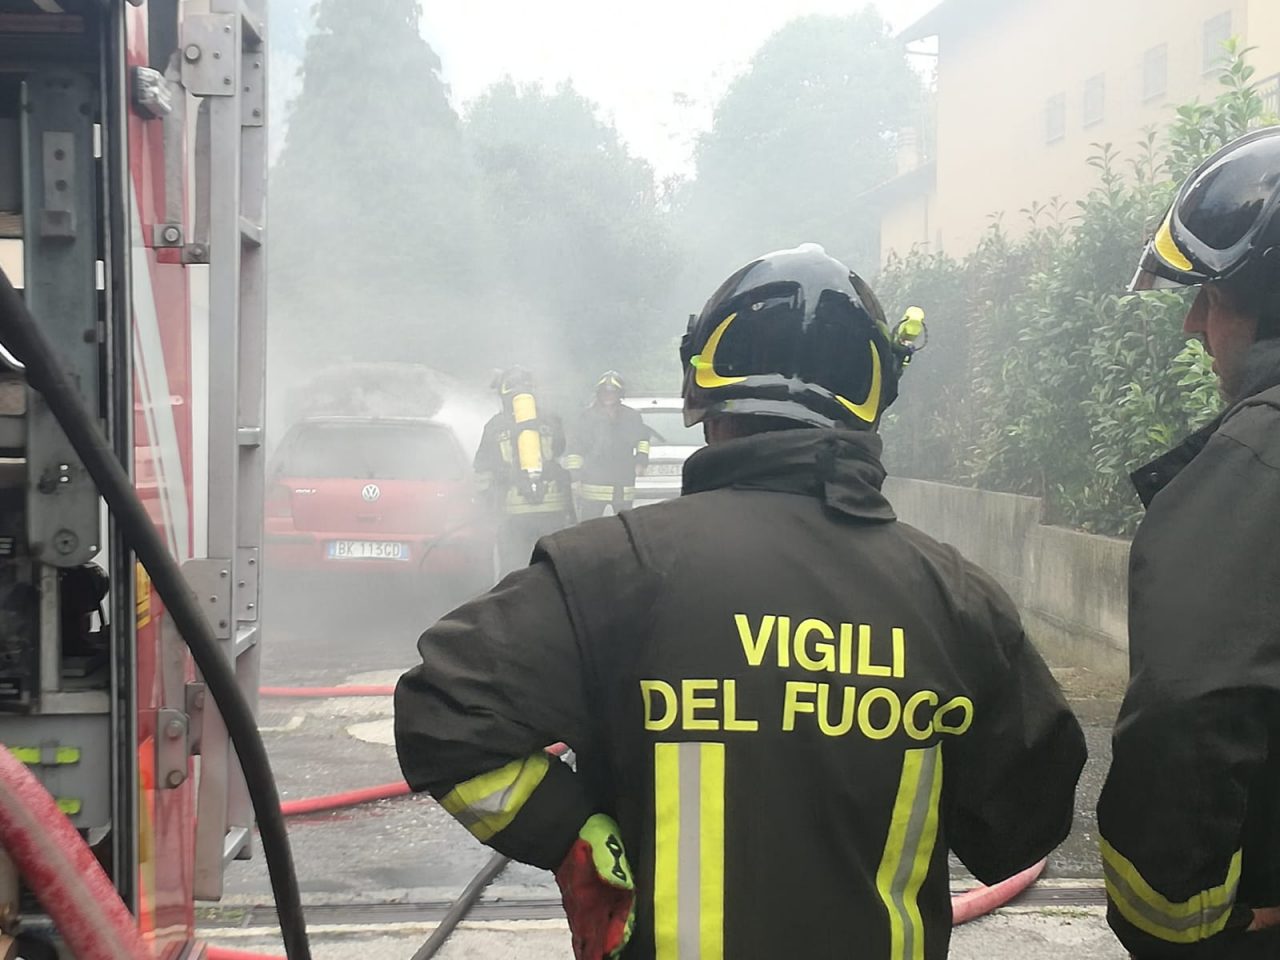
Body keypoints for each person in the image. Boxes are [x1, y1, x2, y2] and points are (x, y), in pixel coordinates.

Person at [396, 244, 1085, 960]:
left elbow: (442, 710)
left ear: (706, 401)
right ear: (871, 407)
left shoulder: (609, 571)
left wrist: (573, 837)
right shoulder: (957, 601)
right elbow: (1021, 830)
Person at [1096, 126, 1280, 958]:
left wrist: (1181, 924)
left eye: (1212, 294)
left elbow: (1184, 711)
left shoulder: (1253, 469)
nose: (1192, 322)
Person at [473, 366, 575, 575]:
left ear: (503, 395)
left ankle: (514, 606)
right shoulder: (551, 420)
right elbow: (561, 449)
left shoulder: (495, 426)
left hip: (513, 512)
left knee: (513, 571)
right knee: (554, 568)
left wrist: (487, 503)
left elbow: (482, 468)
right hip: (552, 509)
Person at [565, 371, 651, 518]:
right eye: (604, 392)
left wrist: (641, 461)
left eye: (612, 392)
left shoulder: (631, 416)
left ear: (620, 394)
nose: (608, 395)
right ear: (598, 393)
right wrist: (575, 478)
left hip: (623, 480)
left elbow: (642, 439)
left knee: (627, 525)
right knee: (589, 527)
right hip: (593, 482)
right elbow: (575, 448)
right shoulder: (586, 417)